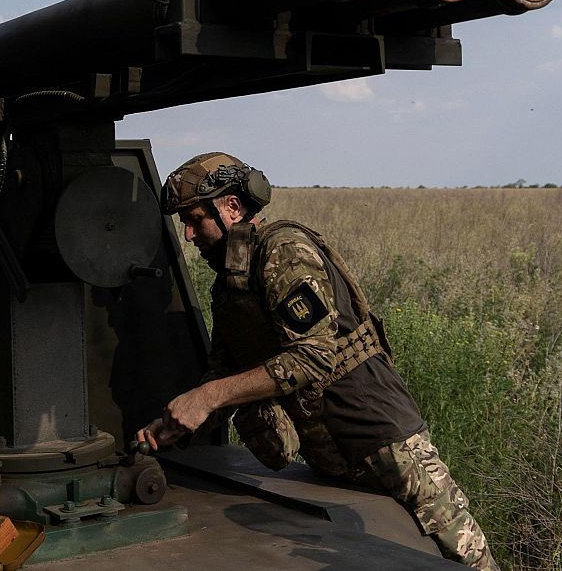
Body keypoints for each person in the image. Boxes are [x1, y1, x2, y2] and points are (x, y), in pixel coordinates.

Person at [136, 153, 498, 570]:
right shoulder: (231, 283)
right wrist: (175, 425)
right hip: (332, 455)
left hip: (381, 439)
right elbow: (226, 371)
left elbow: (313, 356)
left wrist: (209, 396)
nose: (188, 233)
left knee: (462, 556)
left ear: (232, 207)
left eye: (195, 218)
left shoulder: (285, 250)